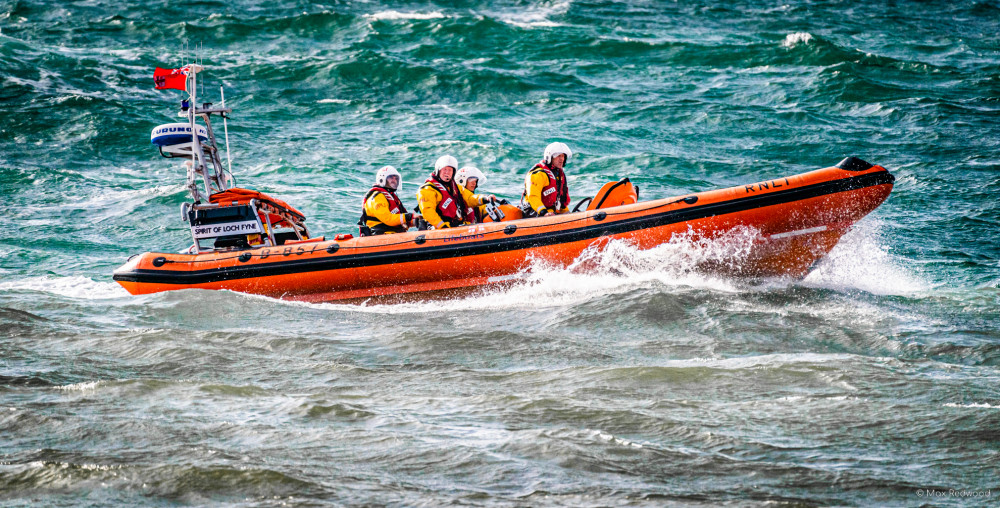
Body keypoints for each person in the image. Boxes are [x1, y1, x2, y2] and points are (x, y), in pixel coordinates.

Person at [417, 155, 492, 228]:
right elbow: (428, 211)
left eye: (450, 170)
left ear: (453, 172)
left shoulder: (456, 187)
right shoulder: (428, 189)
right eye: (445, 169)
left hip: (455, 226)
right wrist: (442, 226)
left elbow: (469, 198)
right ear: (438, 170)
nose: (447, 172)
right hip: (439, 228)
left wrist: (484, 198)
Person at [357, 166, 420, 236]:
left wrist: (417, 221)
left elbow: (400, 220)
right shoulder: (377, 197)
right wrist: (410, 216)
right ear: (382, 179)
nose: (394, 180)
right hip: (381, 235)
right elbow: (388, 219)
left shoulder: (392, 197)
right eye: (391, 178)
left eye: (396, 178)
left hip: (395, 234)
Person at [523, 142, 572, 216]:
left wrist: (567, 213)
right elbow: (533, 197)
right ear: (549, 157)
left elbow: (561, 199)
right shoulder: (538, 174)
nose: (561, 159)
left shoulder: (559, 175)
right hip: (534, 212)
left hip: (551, 212)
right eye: (558, 156)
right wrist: (544, 213)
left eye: (563, 156)